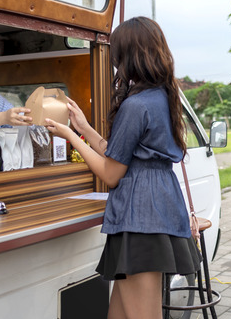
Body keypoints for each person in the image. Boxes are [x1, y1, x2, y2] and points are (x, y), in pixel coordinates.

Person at [44, 17, 200, 319]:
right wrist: (84, 128)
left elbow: (111, 173)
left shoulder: (136, 104)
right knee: (118, 315)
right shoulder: (161, 96)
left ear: (128, 56)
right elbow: (121, 154)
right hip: (157, 209)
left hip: (138, 218)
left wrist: (68, 137)